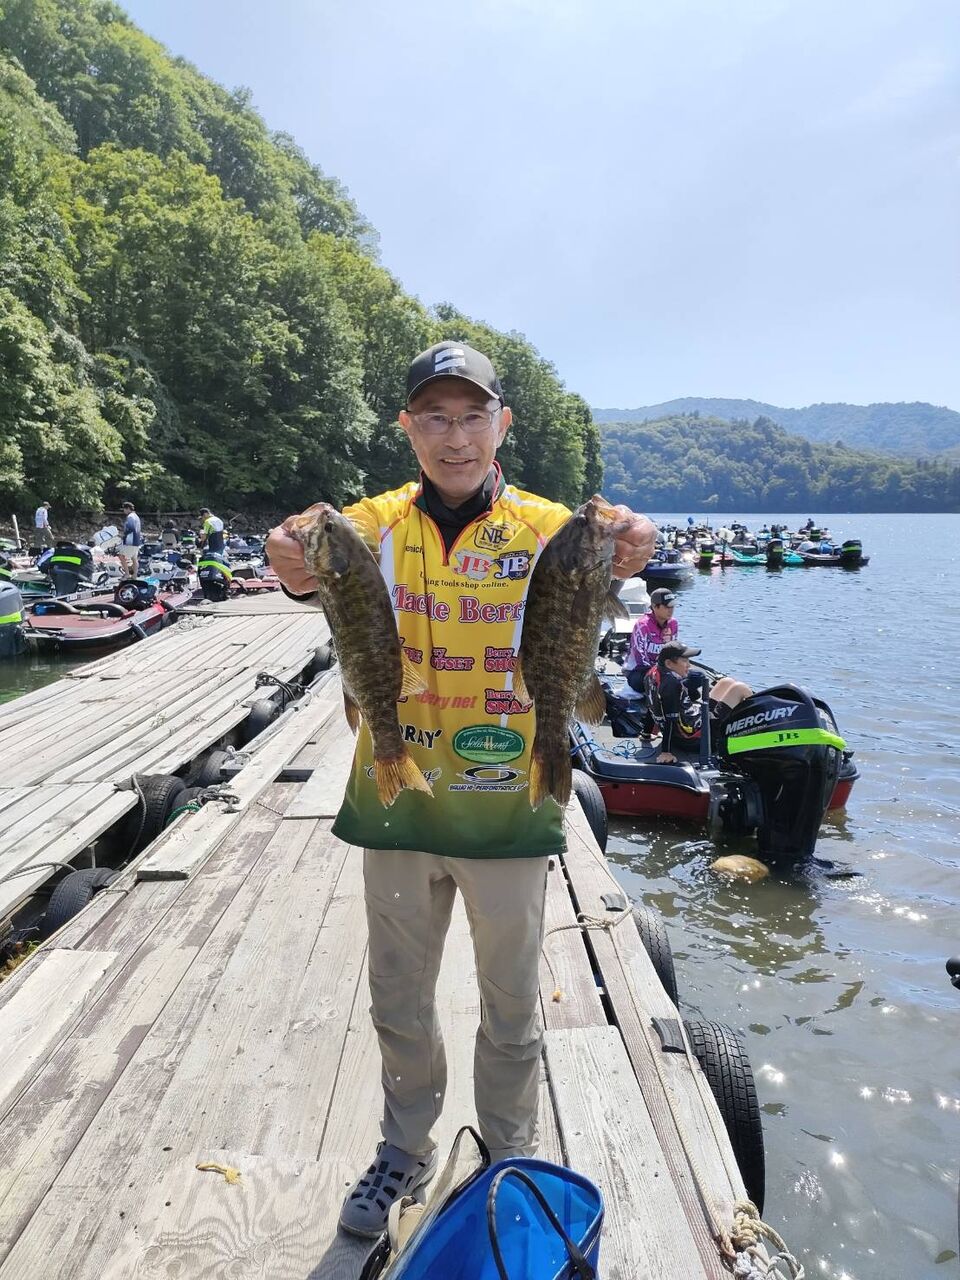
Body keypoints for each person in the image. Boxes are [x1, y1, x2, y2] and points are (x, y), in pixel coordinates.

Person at [266, 339, 656, 1239]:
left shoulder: (552, 527)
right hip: (395, 802)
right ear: (408, 429)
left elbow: (624, 556)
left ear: (501, 425)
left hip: (511, 804)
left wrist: (634, 541)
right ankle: (404, 1148)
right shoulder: (371, 524)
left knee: (513, 1006)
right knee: (397, 998)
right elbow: (305, 550)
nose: (455, 438)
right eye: (435, 418)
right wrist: (287, 552)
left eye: (472, 416)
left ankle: (509, 1155)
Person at [645, 641, 752, 764]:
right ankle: (759, 724)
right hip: (698, 738)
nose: (689, 665)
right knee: (740, 688)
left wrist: (646, 732)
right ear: (668, 663)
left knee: (726, 682)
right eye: (684, 661)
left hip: (695, 721)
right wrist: (666, 752)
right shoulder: (672, 684)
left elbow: (650, 704)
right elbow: (670, 720)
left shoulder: (652, 673)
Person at [622, 587, 678, 693]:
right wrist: (660, 673)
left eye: (672, 606)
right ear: (654, 606)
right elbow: (640, 657)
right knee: (665, 682)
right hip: (638, 671)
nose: (671, 610)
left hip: (663, 668)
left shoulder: (673, 624)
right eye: (667, 606)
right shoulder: (642, 625)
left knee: (694, 677)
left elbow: (673, 650)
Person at [117, 501, 142, 576]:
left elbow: (130, 528)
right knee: (134, 558)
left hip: (130, 541)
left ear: (128, 508)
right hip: (137, 541)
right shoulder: (136, 517)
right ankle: (134, 575)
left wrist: (124, 535)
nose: (123, 511)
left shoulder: (130, 517)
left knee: (121, 556)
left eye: (124, 509)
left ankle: (127, 574)